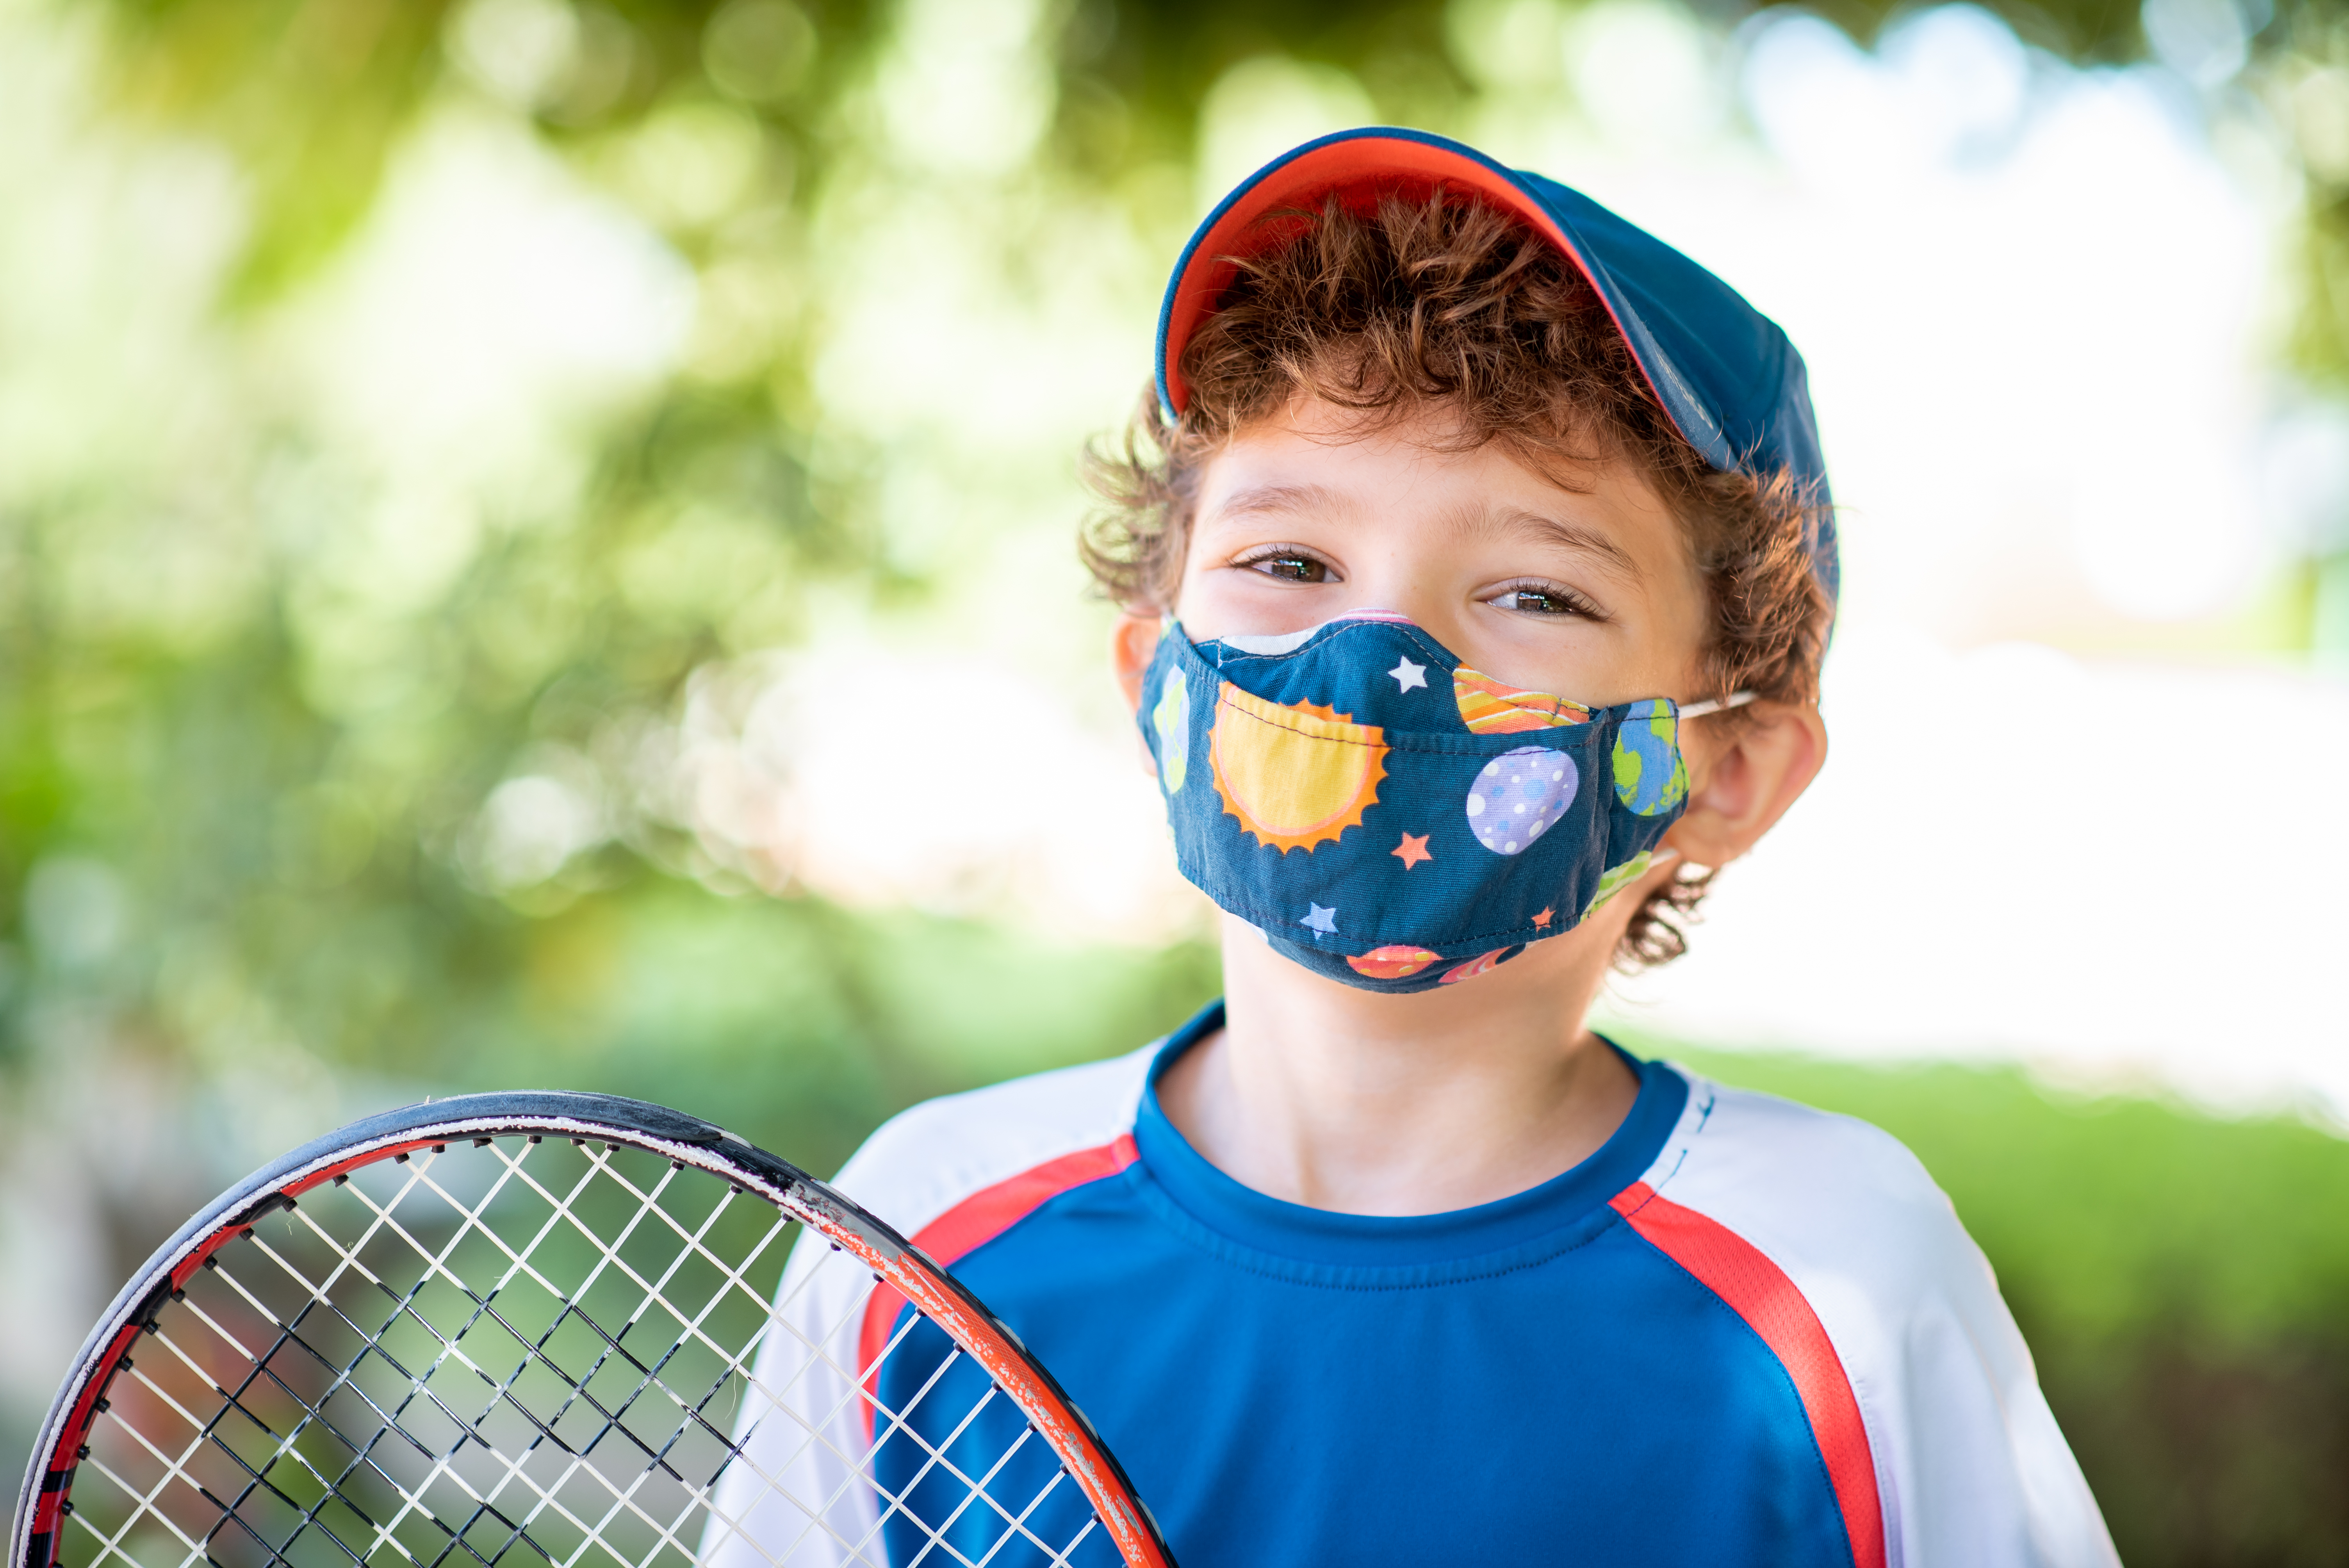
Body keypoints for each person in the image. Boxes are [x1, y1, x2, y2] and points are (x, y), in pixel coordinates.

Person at [707, 128, 2119, 1567]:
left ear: (1728, 770)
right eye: (1289, 563)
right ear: (1155, 684)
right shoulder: (922, 1242)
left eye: (1536, 593)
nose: (1376, 654)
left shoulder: (1843, 1285)